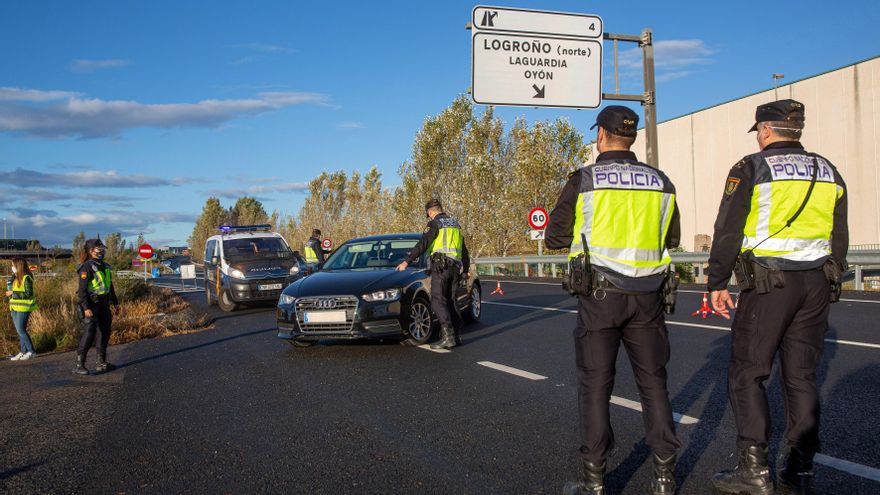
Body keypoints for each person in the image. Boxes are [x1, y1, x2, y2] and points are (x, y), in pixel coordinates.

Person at [708, 100, 848, 495]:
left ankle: (753, 470)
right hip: (817, 282)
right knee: (801, 376)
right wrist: (832, 275)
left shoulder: (751, 167)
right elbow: (840, 233)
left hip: (771, 283)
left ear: (765, 131)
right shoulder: (827, 169)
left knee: (749, 372)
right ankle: (800, 468)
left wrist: (717, 280)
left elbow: (729, 229)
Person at [545, 106, 682, 495]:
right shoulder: (661, 182)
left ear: (602, 136)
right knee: (654, 385)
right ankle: (665, 477)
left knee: (595, 386)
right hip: (649, 298)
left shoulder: (584, 180)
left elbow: (555, 237)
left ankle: (594, 481)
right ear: (631, 136)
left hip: (600, 297)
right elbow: (670, 238)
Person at [396, 199, 470, 349]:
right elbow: (464, 249)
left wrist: (406, 262)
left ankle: (448, 336)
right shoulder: (455, 224)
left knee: (437, 300)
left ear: (430, 212)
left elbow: (423, 244)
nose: (429, 217)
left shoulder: (434, 223)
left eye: (428, 215)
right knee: (450, 300)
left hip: (441, 267)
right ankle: (456, 335)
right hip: (455, 267)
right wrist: (466, 269)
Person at [73, 238, 121, 375]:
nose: (101, 251)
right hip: (91, 304)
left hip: (104, 303)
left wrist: (115, 302)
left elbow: (110, 286)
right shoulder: (86, 267)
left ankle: (101, 362)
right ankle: (79, 364)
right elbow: (82, 291)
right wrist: (86, 307)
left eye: (102, 249)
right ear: (90, 251)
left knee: (104, 332)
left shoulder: (105, 266)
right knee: (89, 332)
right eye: (98, 249)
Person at [6, 257, 39, 361]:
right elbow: (12, 290)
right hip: (15, 306)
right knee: (20, 331)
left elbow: (28, 293)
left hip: (24, 307)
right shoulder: (16, 277)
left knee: (21, 330)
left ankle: (31, 351)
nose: (12, 267)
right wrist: (10, 283)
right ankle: (23, 351)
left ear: (18, 266)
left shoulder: (27, 277)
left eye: (13, 265)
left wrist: (13, 293)